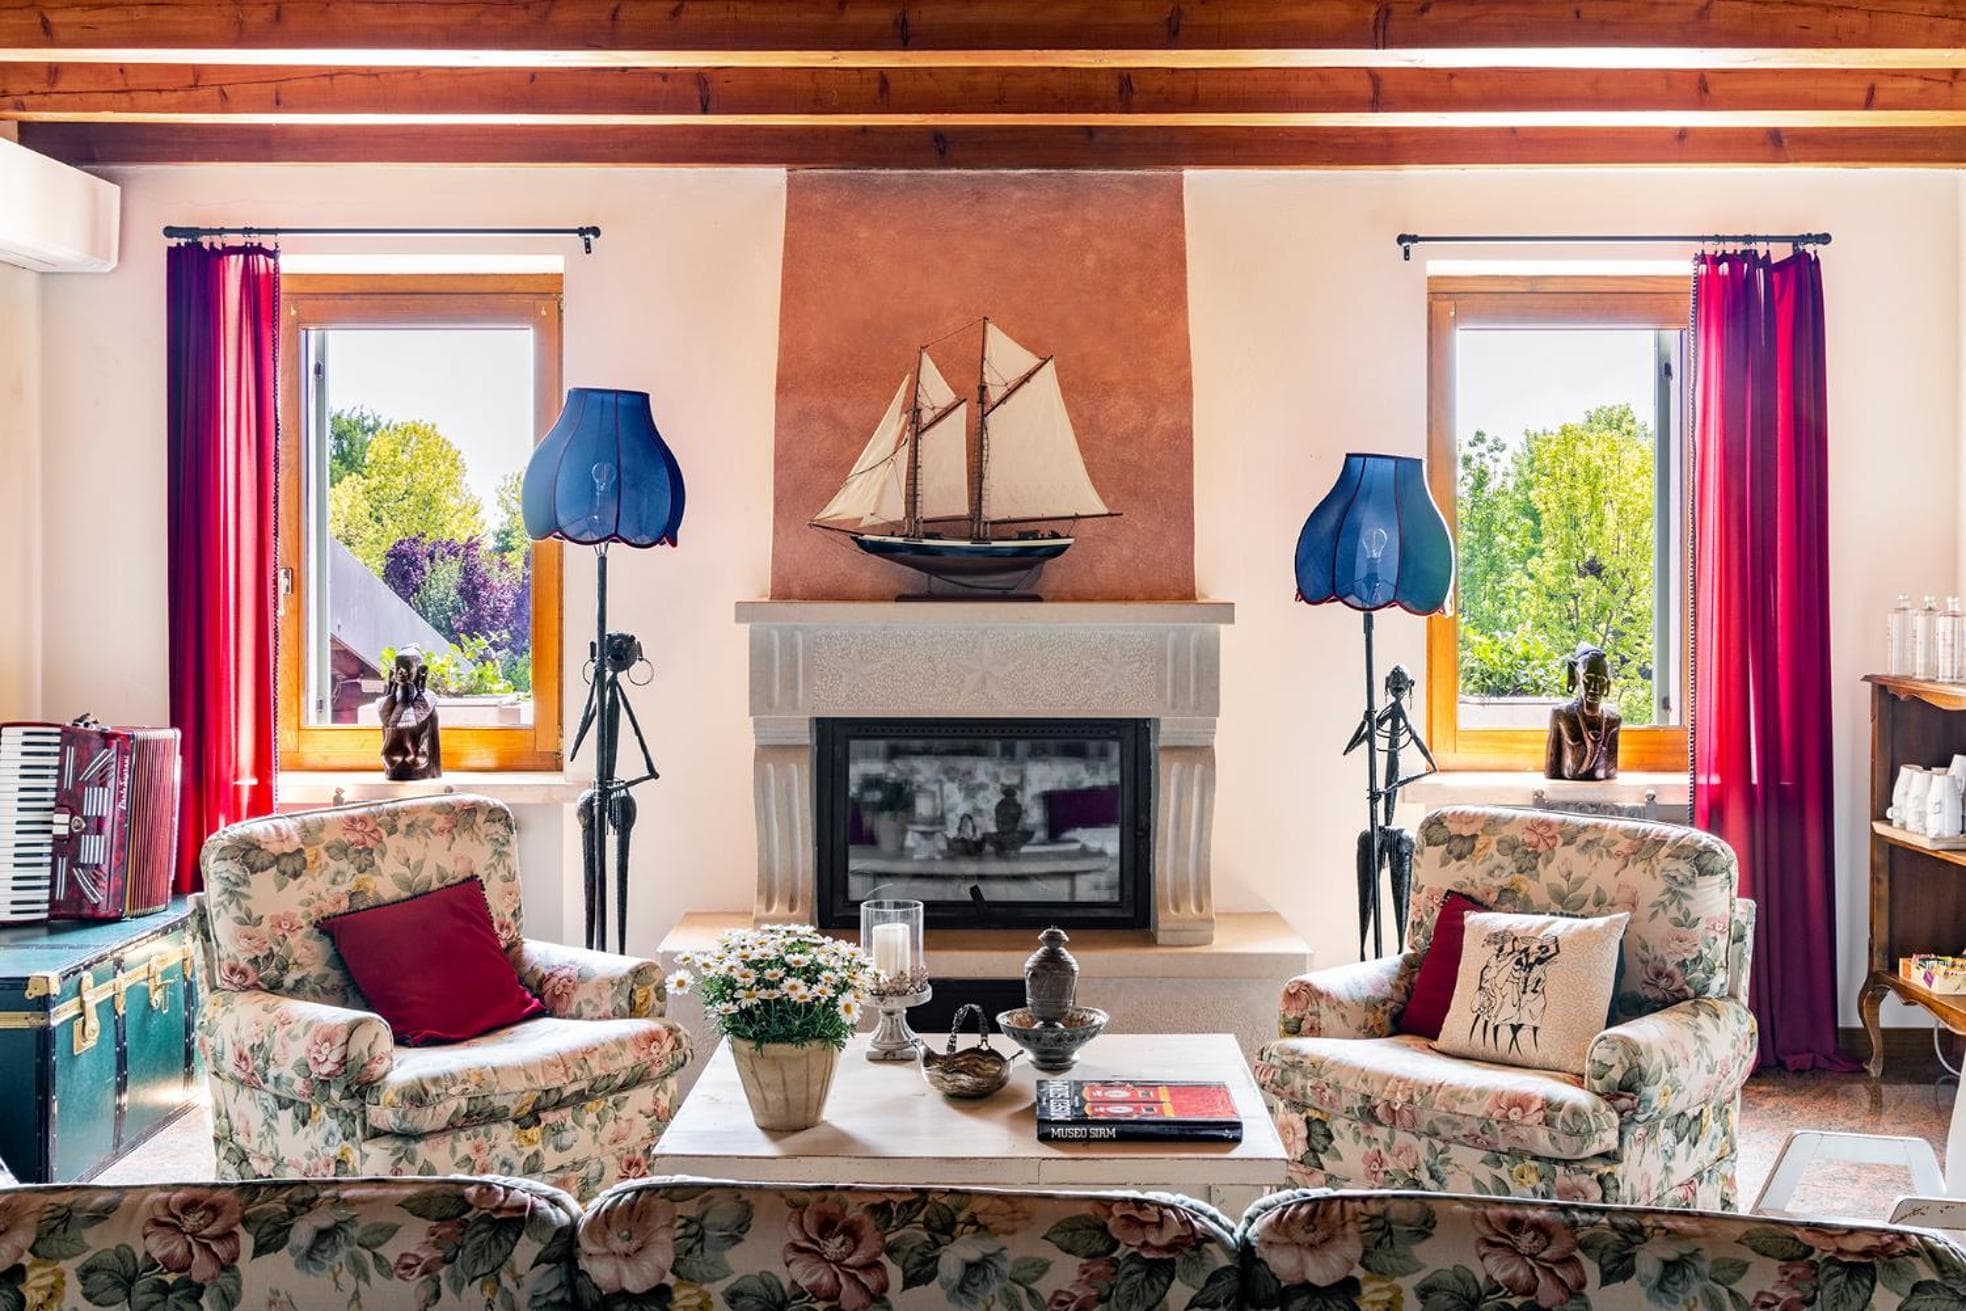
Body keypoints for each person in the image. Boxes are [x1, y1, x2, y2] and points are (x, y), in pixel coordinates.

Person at [1545, 644, 1620, 780]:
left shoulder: (1613, 720)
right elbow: (1552, 770)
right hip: (1568, 789)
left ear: (1607, 685)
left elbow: (1611, 771)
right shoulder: (1561, 715)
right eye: (1588, 679)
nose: (1594, 687)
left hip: (1601, 790)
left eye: (1601, 681)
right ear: (1576, 678)